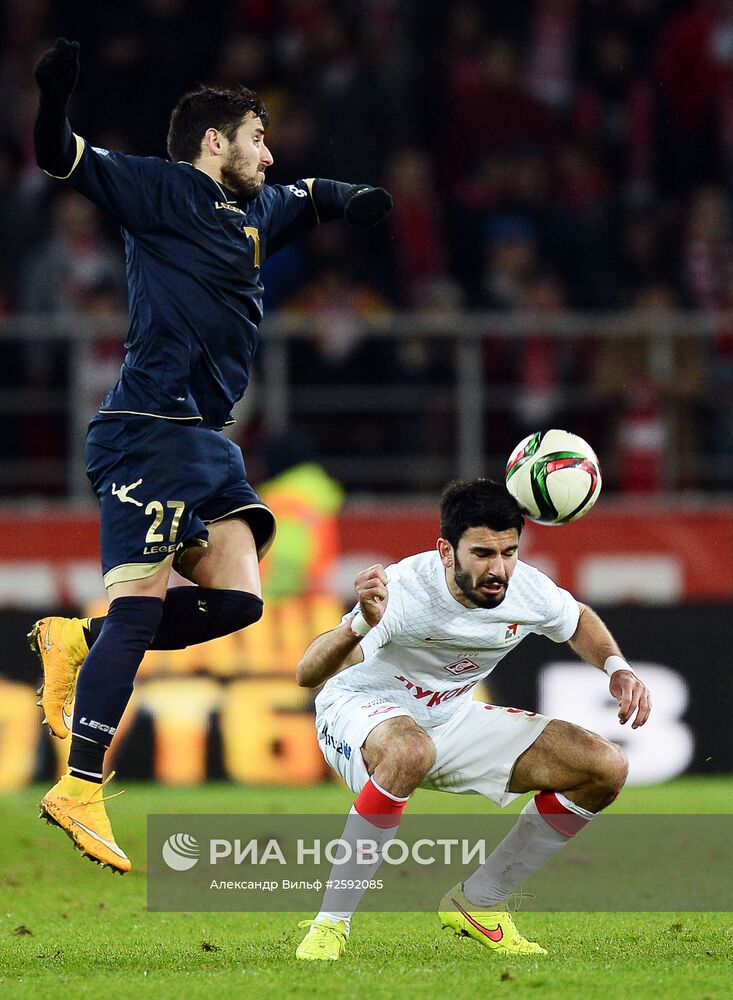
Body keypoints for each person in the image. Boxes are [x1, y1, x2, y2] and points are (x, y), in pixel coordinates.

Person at [29, 38, 393, 874]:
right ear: (214, 141)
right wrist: (53, 101)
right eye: (257, 139)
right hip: (147, 428)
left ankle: (77, 643)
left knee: (236, 601)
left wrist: (357, 200)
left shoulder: (257, 209)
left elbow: (314, 195)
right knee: (139, 610)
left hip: (204, 441)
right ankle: (79, 785)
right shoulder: (158, 188)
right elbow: (59, 155)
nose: (269, 155)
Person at [294, 478, 651, 960]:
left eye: (509, 552)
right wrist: (359, 623)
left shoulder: (526, 588)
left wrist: (617, 668)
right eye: (482, 553)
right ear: (446, 551)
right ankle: (329, 926)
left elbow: (577, 618)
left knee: (605, 767)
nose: (498, 569)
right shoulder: (404, 591)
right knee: (410, 750)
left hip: (449, 716)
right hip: (359, 708)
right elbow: (308, 673)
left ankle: (479, 902)